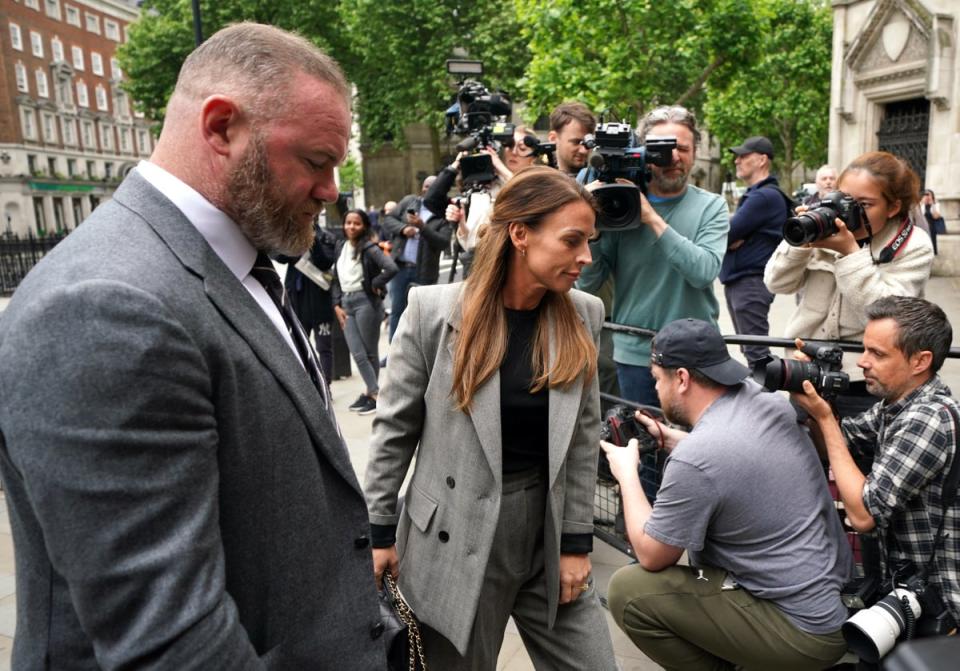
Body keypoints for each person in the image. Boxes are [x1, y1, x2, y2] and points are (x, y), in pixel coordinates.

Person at [0, 23, 385, 669]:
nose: (330, 189)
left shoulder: (234, 258)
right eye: (317, 161)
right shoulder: (104, 305)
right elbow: (172, 642)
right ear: (221, 127)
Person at [364, 166, 617, 670]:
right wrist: (379, 531)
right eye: (572, 241)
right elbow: (394, 431)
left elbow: (584, 439)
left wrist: (575, 544)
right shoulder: (432, 311)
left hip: (545, 524)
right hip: (454, 527)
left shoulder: (583, 313)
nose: (585, 257)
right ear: (520, 234)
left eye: (589, 241)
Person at [603, 318, 853, 671]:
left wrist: (626, 472)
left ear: (682, 379)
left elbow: (652, 555)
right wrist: (669, 438)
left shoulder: (698, 458)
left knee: (628, 591)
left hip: (799, 632)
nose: (656, 390)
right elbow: (730, 458)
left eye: (658, 379)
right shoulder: (766, 401)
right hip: (828, 597)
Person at [792, 296, 960, 627]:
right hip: (904, 593)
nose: (863, 362)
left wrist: (825, 420)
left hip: (939, 605)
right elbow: (839, 443)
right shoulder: (894, 406)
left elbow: (865, 514)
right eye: (865, 349)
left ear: (920, 361)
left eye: (878, 354)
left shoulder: (928, 418)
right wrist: (809, 395)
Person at [578, 105, 729, 407]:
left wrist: (650, 217)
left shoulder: (712, 206)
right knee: (643, 447)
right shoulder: (617, 207)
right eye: (660, 149)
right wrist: (589, 228)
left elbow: (703, 271)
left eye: (682, 148)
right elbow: (587, 283)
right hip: (635, 355)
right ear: (641, 153)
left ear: (695, 152)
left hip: (695, 355)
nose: (672, 157)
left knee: (695, 450)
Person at [764, 151, 934, 417]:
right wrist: (801, 242)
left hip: (866, 382)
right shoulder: (825, 227)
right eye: (843, 200)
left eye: (864, 205)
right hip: (807, 368)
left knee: (854, 456)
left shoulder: (914, 245)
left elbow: (888, 316)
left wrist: (850, 254)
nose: (848, 212)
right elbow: (776, 282)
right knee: (805, 454)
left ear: (893, 207)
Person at [720, 135, 790, 365]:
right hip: (744, 282)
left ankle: (766, 400)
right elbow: (728, 235)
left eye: (743, 156)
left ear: (762, 160)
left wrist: (731, 237)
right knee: (752, 352)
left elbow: (724, 234)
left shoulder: (764, 196)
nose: (737, 161)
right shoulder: (759, 194)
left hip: (750, 283)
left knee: (757, 355)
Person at [444, 125, 540, 276]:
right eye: (508, 145)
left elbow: (528, 198)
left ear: (534, 156)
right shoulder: (486, 184)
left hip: (515, 270)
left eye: (522, 148)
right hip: (478, 269)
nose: (513, 152)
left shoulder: (539, 181)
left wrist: (499, 166)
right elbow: (470, 242)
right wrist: (461, 221)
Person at [332, 209, 397, 415]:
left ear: (364, 226)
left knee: (368, 353)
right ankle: (373, 392)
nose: (351, 227)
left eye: (356, 223)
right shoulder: (340, 246)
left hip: (365, 303)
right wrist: (336, 305)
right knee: (357, 352)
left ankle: (374, 394)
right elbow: (335, 278)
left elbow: (391, 268)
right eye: (348, 223)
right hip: (346, 303)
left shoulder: (369, 248)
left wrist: (374, 284)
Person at [381, 176, 452, 341]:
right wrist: (403, 228)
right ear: (422, 188)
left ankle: (418, 356)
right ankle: (393, 353)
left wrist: (422, 227)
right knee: (397, 311)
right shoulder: (409, 202)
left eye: (434, 187)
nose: (429, 190)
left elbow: (443, 242)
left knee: (422, 316)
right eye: (427, 186)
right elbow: (388, 220)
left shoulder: (444, 213)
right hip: (400, 267)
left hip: (424, 271)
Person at [278, 222, 338, 382]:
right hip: (297, 299)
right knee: (299, 347)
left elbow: (325, 262)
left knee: (324, 347)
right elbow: (279, 256)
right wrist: (293, 242)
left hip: (320, 300)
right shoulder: (292, 236)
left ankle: (325, 385)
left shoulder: (327, 237)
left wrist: (313, 240)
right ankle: (307, 385)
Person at [548, 101, 595, 177]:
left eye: (589, 143)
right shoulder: (540, 183)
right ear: (553, 138)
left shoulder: (600, 181)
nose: (584, 151)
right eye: (576, 142)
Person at [922, 189, 945, 255]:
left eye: (929, 195)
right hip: (923, 226)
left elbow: (936, 216)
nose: (927, 196)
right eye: (925, 195)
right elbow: (921, 214)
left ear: (932, 196)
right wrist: (923, 204)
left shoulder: (935, 204)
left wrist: (932, 205)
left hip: (931, 227)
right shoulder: (921, 204)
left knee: (932, 242)